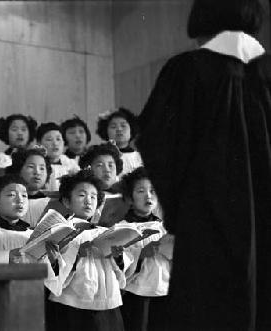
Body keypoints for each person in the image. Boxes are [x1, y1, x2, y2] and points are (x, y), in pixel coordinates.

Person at [136, 0, 271, 329]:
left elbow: (157, 140)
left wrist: (183, 208)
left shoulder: (187, 69)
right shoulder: (266, 71)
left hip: (207, 221)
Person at [44, 170, 130, 331]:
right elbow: (52, 270)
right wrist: (74, 256)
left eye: (93, 197)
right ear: (67, 202)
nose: (88, 201)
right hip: (72, 301)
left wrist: (118, 257)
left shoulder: (104, 232)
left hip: (107, 299)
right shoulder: (61, 231)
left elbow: (122, 269)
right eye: (82, 195)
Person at [119, 167, 172, 331]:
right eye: (141, 191)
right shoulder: (123, 227)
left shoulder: (164, 226)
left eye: (153, 190)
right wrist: (141, 253)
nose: (148, 195)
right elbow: (117, 262)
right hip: (137, 292)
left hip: (163, 288)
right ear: (130, 198)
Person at [78, 142, 129, 227]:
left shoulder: (129, 193)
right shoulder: (81, 195)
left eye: (111, 165)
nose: (107, 170)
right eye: (99, 165)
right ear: (89, 169)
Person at [96, 108, 143, 176]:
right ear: (106, 131)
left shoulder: (140, 158)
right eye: (113, 127)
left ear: (131, 130)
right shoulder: (100, 157)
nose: (119, 129)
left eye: (123, 126)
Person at [37, 122, 80, 191]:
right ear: (39, 143)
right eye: (49, 139)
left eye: (58, 139)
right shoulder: (36, 163)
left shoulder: (71, 164)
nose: (55, 143)